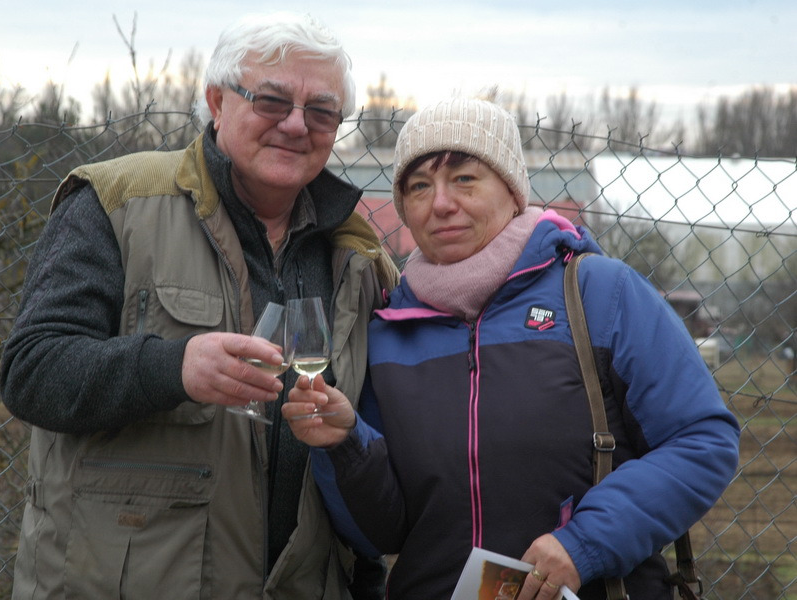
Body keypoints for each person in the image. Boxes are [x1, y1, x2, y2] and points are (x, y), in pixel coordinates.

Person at [0, 11, 398, 599]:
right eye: (271, 101)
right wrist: (174, 367)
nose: (296, 125)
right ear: (217, 101)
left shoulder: (359, 259)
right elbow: (32, 372)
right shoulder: (118, 204)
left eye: (321, 111)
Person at [284, 97, 741, 599]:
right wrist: (345, 446)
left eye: (464, 178)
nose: (441, 203)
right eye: (419, 186)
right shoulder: (390, 331)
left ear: (512, 189)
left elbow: (702, 440)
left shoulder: (599, 294)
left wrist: (584, 544)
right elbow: (382, 534)